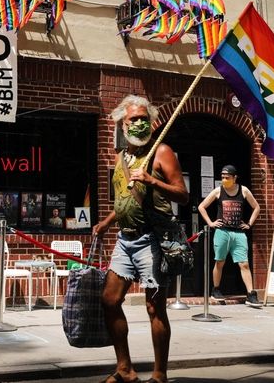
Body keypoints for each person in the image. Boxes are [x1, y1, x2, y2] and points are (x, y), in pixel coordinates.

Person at [92, 95, 189, 383]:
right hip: (126, 240)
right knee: (109, 299)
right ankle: (125, 368)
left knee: (153, 307)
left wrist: (152, 181)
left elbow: (183, 195)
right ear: (123, 123)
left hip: (153, 240)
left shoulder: (163, 152)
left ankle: (160, 375)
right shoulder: (122, 157)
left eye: (144, 118)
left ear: (153, 122)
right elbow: (124, 200)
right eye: (133, 119)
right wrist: (106, 223)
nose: (139, 123)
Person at [197, 164, 261, 307]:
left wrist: (249, 224)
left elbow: (256, 207)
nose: (224, 180)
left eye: (227, 177)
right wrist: (211, 223)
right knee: (220, 261)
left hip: (239, 232)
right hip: (222, 232)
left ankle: (251, 294)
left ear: (234, 178)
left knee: (244, 263)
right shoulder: (218, 191)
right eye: (222, 177)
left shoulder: (243, 190)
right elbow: (202, 206)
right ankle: (216, 290)